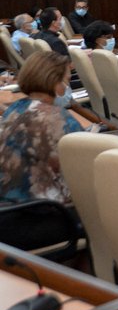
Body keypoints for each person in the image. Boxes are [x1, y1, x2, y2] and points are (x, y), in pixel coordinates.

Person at [0, 51, 83, 203]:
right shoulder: (60, 120)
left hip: (10, 205)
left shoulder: (15, 107)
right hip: (45, 210)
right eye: (67, 80)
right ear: (54, 82)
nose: (67, 87)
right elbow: (84, 171)